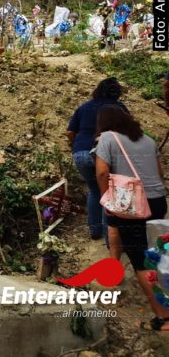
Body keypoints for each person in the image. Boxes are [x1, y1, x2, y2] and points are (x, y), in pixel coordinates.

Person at [94, 105, 169, 330]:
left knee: (141, 260)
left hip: (133, 206)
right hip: (158, 201)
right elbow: (160, 173)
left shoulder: (107, 138)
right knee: (158, 254)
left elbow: (101, 172)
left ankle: (164, 318)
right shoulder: (148, 140)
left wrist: (107, 199)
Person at [67, 77, 127, 240]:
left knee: (94, 191)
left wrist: (74, 147)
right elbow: (128, 132)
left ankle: (95, 232)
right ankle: (110, 238)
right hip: (105, 154)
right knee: (109, 193)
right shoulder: (119, 108)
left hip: (81, 154)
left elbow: (70, 132)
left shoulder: (84, 107)